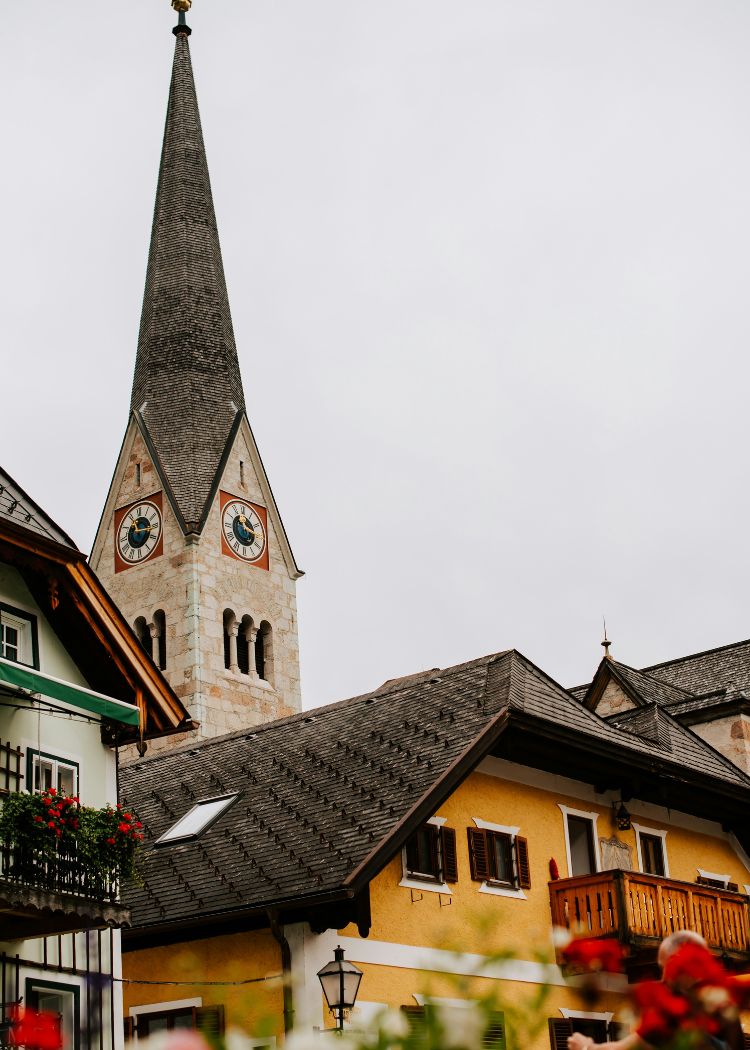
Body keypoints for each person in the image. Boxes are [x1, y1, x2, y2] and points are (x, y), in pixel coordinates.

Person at [567, 931, 743, 1050]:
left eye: (663, 966)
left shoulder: (676, 1011)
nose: (663, 977)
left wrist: (586, 1046)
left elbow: (627, 1048)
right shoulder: (726, 1007)